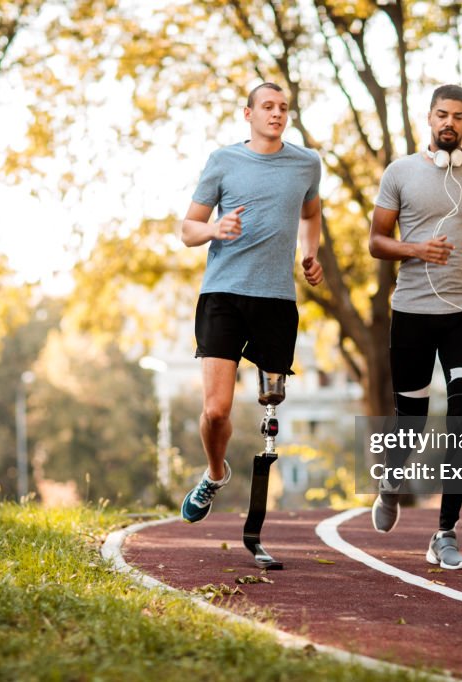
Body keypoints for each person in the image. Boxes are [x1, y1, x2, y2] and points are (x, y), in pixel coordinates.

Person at [368, 84, 462, 569]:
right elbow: (376, 242)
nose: (449, 123)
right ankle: (390, 480)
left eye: (458, 116)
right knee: (409, 421)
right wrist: (416, 249)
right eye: (442, 115)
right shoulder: (400, 173)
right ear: (428, 118)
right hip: (411, 312)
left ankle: (445, 532)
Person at [178, 82, 323, 523]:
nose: (276, 114)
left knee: (271, 399)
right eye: (267, 107)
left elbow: (311, 213)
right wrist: (214, 230)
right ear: (248, 114)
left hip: (276, 299)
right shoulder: (223, 161)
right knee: (216, 409)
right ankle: (215, 473)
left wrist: (309, 254)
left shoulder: (306, 163)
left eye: (283, 108)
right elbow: (187, 229)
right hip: (223, 294)